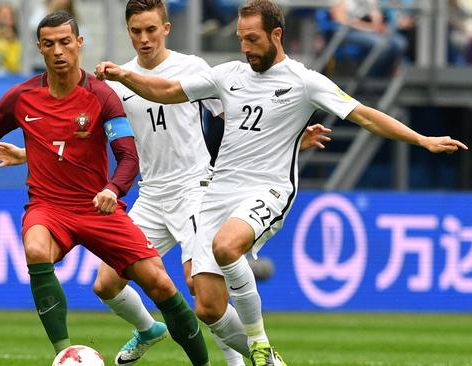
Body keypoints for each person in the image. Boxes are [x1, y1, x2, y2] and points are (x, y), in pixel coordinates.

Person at [94, 1, 468, 365]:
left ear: (276, 34)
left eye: (253, 39)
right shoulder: (227, 75)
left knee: (226, 247)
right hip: (218, 192)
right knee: (207, 307)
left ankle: (258, 343)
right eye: (241, 38)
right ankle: (269, 361)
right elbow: (167, 92)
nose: (246, 47)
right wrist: (125, 76)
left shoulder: (304, 81)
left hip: (266, 189)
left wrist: (421, 139)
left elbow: (365, 116)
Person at [0, 2, 330, 365]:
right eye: (136, 31)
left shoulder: (192, 67)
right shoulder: (119, 81)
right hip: (150, 194)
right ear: (128, 32)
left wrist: (285, 135)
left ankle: (244, 359)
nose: (144, 39)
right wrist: (28, 154)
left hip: (195, 189)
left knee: (202, 291)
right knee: (105, 285)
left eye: (151, 30)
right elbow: (85, 135)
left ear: (166, 29)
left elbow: (236, 113)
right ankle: (148, 329)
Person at [0, 11, 211, 366]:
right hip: (48, 208)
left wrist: (114, 188)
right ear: (39, 48)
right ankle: (65, 352)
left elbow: (127, 156)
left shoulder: (102, 95)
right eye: (49, 44)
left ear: (79, 44)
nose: (58, 51)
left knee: (160, 284)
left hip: (97, 207)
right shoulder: (22, 97)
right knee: (35, 247)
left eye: (65, 42)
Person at [329, 0, 407, 76]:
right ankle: (370, 76)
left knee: (400, 42)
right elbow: (340, 19)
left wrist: (377, 27)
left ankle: (382, 75)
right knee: (382, 45)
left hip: (367, 29)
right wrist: (369, 27)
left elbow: (375, 14)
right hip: (346, 31)